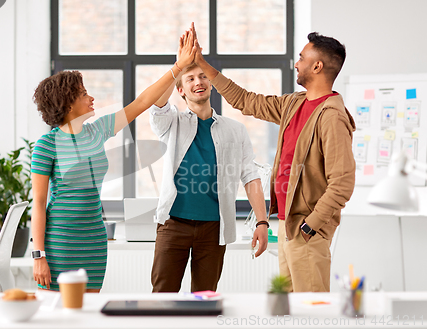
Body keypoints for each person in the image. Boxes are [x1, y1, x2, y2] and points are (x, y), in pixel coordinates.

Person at [30, 27, 197, 292]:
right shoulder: (46, 145)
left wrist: (178, 67)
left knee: (89, 312)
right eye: (84, 94)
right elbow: (38, 204)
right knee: (57, 314)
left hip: (94, 241)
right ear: (68, 102)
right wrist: (39, 255)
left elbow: (142, 101)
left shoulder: (98, 131)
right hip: (60, 242)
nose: (91, 97)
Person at [193, 30, 356, 292]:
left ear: (317, 66)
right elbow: (246, 101)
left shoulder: (332, 117)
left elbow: (342, 183)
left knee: (311, 308)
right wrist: (203, 65)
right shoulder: (294, 103)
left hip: (306, 228)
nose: (296, 63)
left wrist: (310, 225)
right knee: (289, 306)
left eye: (302, 58)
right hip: (288, 223)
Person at [149, 31, 269, 293]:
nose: (198, 82)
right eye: (189, 79)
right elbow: (157, 104)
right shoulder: (170, 122)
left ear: (212, 83)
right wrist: (179, 65)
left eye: (202, 76)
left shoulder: (235, 130)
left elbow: (250, 176)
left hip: (214, 229)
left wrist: (262, 222)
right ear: (180, 90)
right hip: (172, 225)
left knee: (205, 300)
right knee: (161, 297)